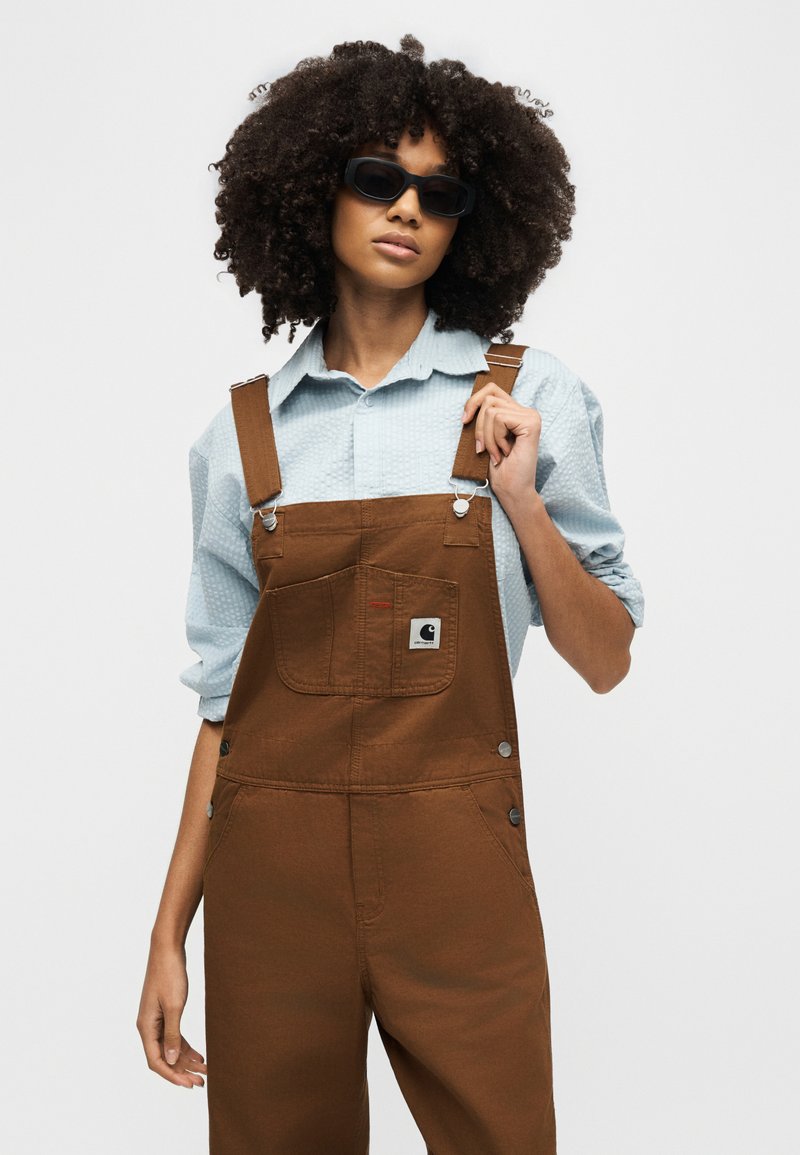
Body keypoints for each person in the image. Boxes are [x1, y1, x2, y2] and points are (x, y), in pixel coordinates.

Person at [137, 33, 644, 1155]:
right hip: (272, 873)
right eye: (377, 178)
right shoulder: (240, 439)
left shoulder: (527, 395)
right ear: (312, 190)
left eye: (439, 191)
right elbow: (226, 705)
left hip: (455, 855)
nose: (405, 208)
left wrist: (516, 495)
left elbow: (604, 656)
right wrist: (170, 932)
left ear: (475, 219)